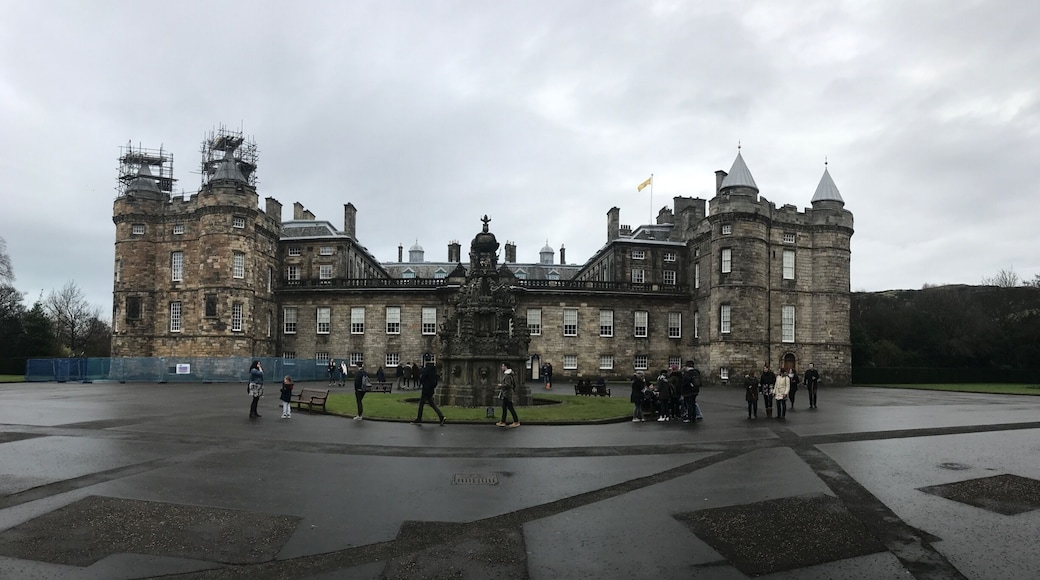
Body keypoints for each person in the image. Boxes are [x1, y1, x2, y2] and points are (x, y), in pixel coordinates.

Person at [496, 362, 520, 427]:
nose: (501, 367)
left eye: (502, 366)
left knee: (510, 407)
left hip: (507, 394)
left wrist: (501, 385)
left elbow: (508, 385)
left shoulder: (507, 375)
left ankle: (516, 421)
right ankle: (503, 421)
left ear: (505, 367)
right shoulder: (509, 374)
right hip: (506, 393)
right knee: (504, 407)